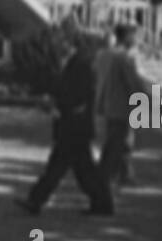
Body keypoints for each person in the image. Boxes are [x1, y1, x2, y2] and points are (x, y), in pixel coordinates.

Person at [15, 25, 114, 216]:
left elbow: (78, 94)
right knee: (81, 170)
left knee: (61, 167)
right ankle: (101, 202)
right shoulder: (79, 63)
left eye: (66, 42)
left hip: (74, 125)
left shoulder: (81, 65)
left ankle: (36, 200)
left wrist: (59, 103)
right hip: (75, 125)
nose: (62, 45)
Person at [96, 22, 152, 190]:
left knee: (120, 142)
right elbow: (133, 83)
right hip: (121, 107)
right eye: (134, 36)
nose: (136, 40)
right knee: (117, 144)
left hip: (110, 105)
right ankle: (104, 178)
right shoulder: (124, 58)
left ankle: (123, 174)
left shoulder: (107, 55)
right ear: (127, 37)